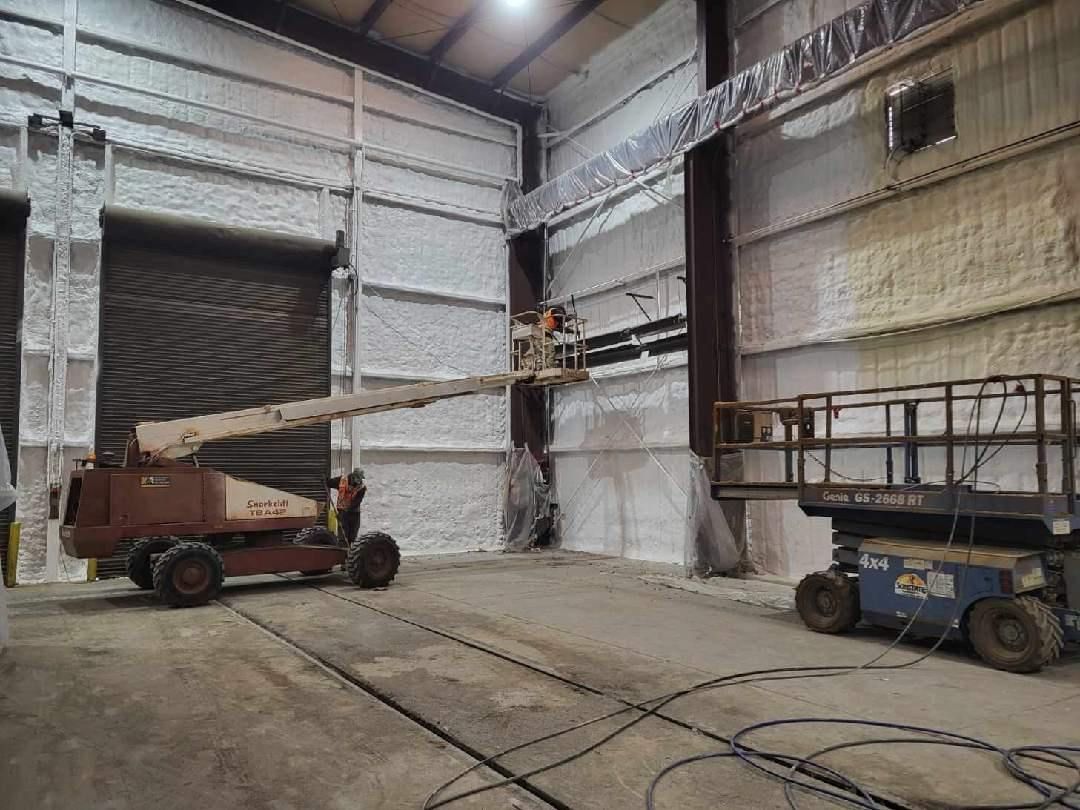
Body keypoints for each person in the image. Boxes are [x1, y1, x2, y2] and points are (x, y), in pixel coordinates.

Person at [326, 467, 366, 543]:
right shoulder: (342, 480)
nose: (359, 481)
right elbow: (330, 483)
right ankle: (342, 547)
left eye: (360, 479)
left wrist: (348, 509)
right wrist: (326, 481)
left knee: (353, 534)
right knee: (343, 534)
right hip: (342, 511)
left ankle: (351, 547)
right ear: (353, 476)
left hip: (354, 513)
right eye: (358, 479)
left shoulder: (362, 487)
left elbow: (357, 501)